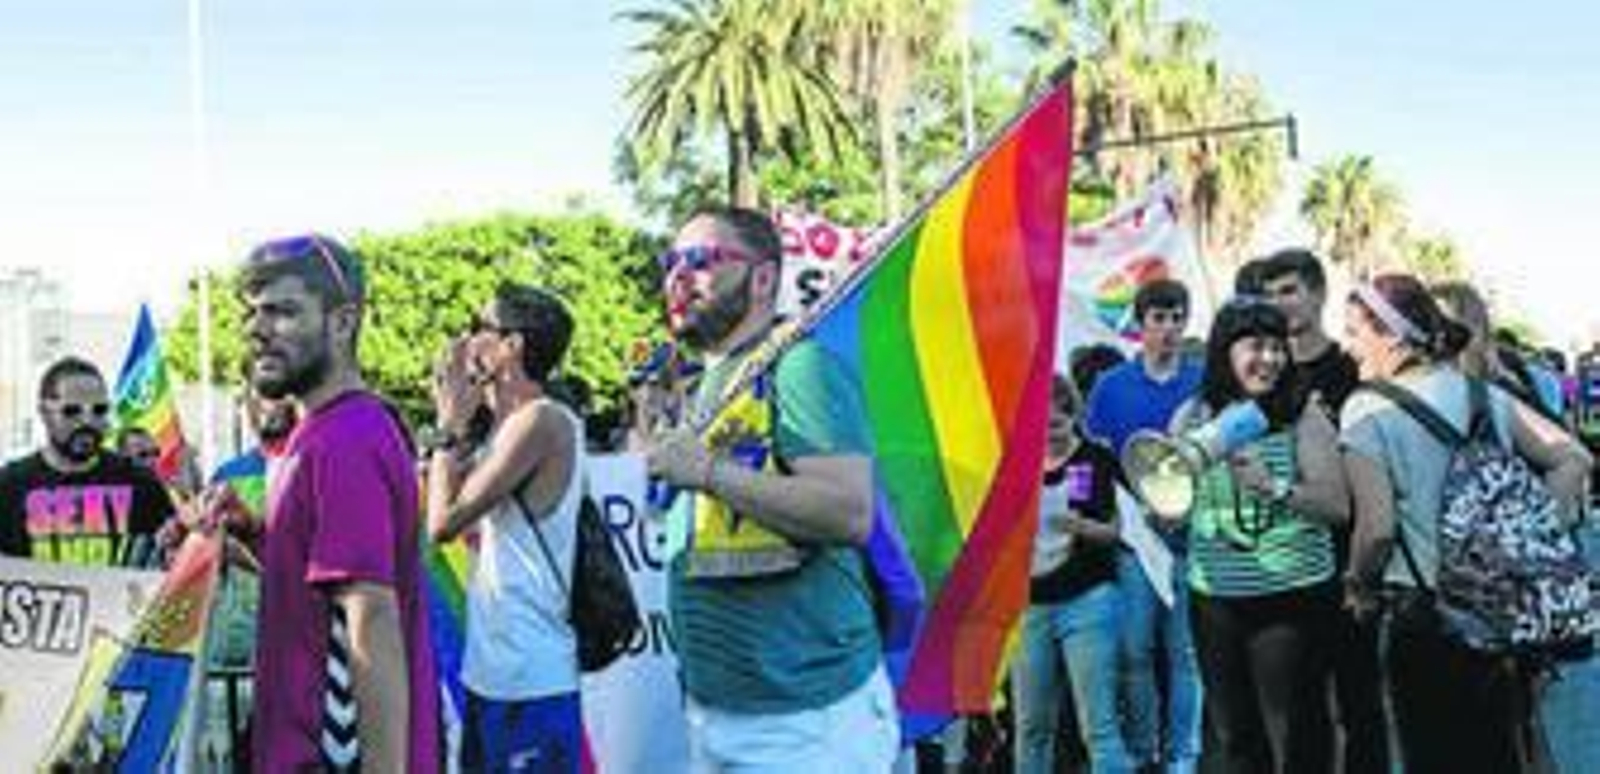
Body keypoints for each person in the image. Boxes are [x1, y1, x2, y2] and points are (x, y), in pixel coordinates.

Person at [644, 206, 897, 771]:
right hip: (717, 714)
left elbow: (849, 510)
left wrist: (707, 472)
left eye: (701, 261)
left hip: (806, 725)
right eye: (671, 262)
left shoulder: (799, 366)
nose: (677, 278)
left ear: (762, 279)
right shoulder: (711, 381)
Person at [1339, 274, 1592, 773]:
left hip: (1425, 617)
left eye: (1354, 332)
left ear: (1391, 335)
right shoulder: (1483, 394)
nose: (1348, 348)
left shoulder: (1365, 409)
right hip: (1499, 608)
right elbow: (1574, 459)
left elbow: (1378, 528)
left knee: (1434, 756)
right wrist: (1537, 530)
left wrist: (1357, 587)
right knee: (1501, 753)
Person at [238, 233, 438, 773]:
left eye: (281, 311)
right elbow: (319, 587)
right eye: (251, 312)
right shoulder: (325, 431)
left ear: (343, 322)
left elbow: (370, 621)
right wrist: (253, 536)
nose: (256, 330)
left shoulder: (343, 439)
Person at [1430, 280, 1600, 772]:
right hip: (1469, 590)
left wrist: (1527, 538)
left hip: (1499, 592)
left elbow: (1574, 457)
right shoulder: (1457, 390)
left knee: (1515, 728)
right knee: (1512, 729)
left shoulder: (1497, 391)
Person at [1174, 298, 1346, 773]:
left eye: (1277, 347)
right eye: (1255, 346)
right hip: (1216, 601)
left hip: (1292, 598)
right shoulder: (1193, 417)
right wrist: (1164, 506)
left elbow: (1335, 505)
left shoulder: (1302, 415)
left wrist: (1273, 486)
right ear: (1224, 353)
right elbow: (1176, 508)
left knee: (1296, 733)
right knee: (1233, 737)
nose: (1269, 359)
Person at [426, 283, 585, 772]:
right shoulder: (502, 427)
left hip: (530, 679)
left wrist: (449, 421)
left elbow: (442, 523)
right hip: (491, 674)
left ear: (512, 345)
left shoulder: (542, 422)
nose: (465, 341)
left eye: (479, 327)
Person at [1255, 248, 1382, 773]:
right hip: (1282, 563)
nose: (1280, 304)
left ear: (1318, 293)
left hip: (1347, 557)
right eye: (1270, 294)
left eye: (1289, 290)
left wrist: (1364, 566)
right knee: (1298, 709)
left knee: (1360, 703)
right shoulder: (1262, 371)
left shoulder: (1353, 370)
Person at [1082, 278, 1204, 773]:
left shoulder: (1202, 382)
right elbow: (1089, 461)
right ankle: (1144, 751)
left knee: (1186, 655)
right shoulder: (1112, 388)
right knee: (1135, 650)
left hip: (1194, 540)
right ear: (1141, 324)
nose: (1169, 328)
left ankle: (1183, 756)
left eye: (1178, 318)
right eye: (1159, 318)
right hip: (1135, 542)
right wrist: (1087, 517)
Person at [1012, 368, 1131, 774]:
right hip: (1029, 607)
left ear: (1072, 415)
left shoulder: (1094, 459)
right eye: (1041, 423)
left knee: (1097, 724)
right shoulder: (1015, 462)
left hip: (1088, 602)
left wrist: (1081, 527)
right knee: (1030, 726)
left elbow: (1116, 531)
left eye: (1059, 422)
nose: (1051, 432)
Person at [0, 356, 174, 567]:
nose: (87, 421)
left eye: (99, 410)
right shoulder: (10, 484)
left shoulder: (140, 483)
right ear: (45, 413)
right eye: (71, 411)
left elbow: (174, 555)